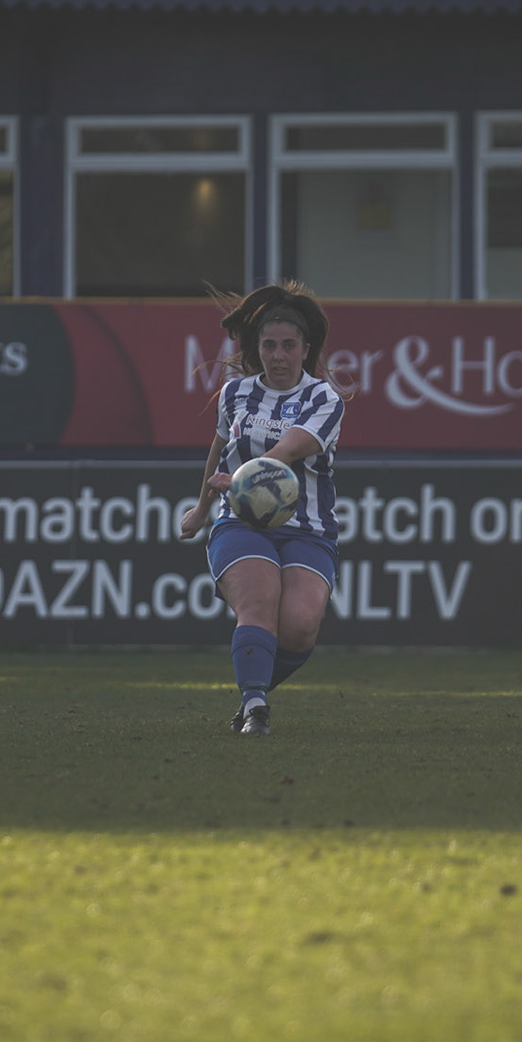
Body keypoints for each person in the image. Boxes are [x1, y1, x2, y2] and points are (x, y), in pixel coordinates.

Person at [178, 283, 347, 737]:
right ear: (257, 348)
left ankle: (251, 689)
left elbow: (289, 450)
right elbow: (218, 449)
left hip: (308, 529)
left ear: (305, 350)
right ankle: (256, 707)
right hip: (241, 523)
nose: (278, 356)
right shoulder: (235, 393)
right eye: (269, 345)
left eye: (288, 346)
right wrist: (201, 509)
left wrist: (240, 478)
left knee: (299, 627)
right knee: (258, 602)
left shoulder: (324, 399)